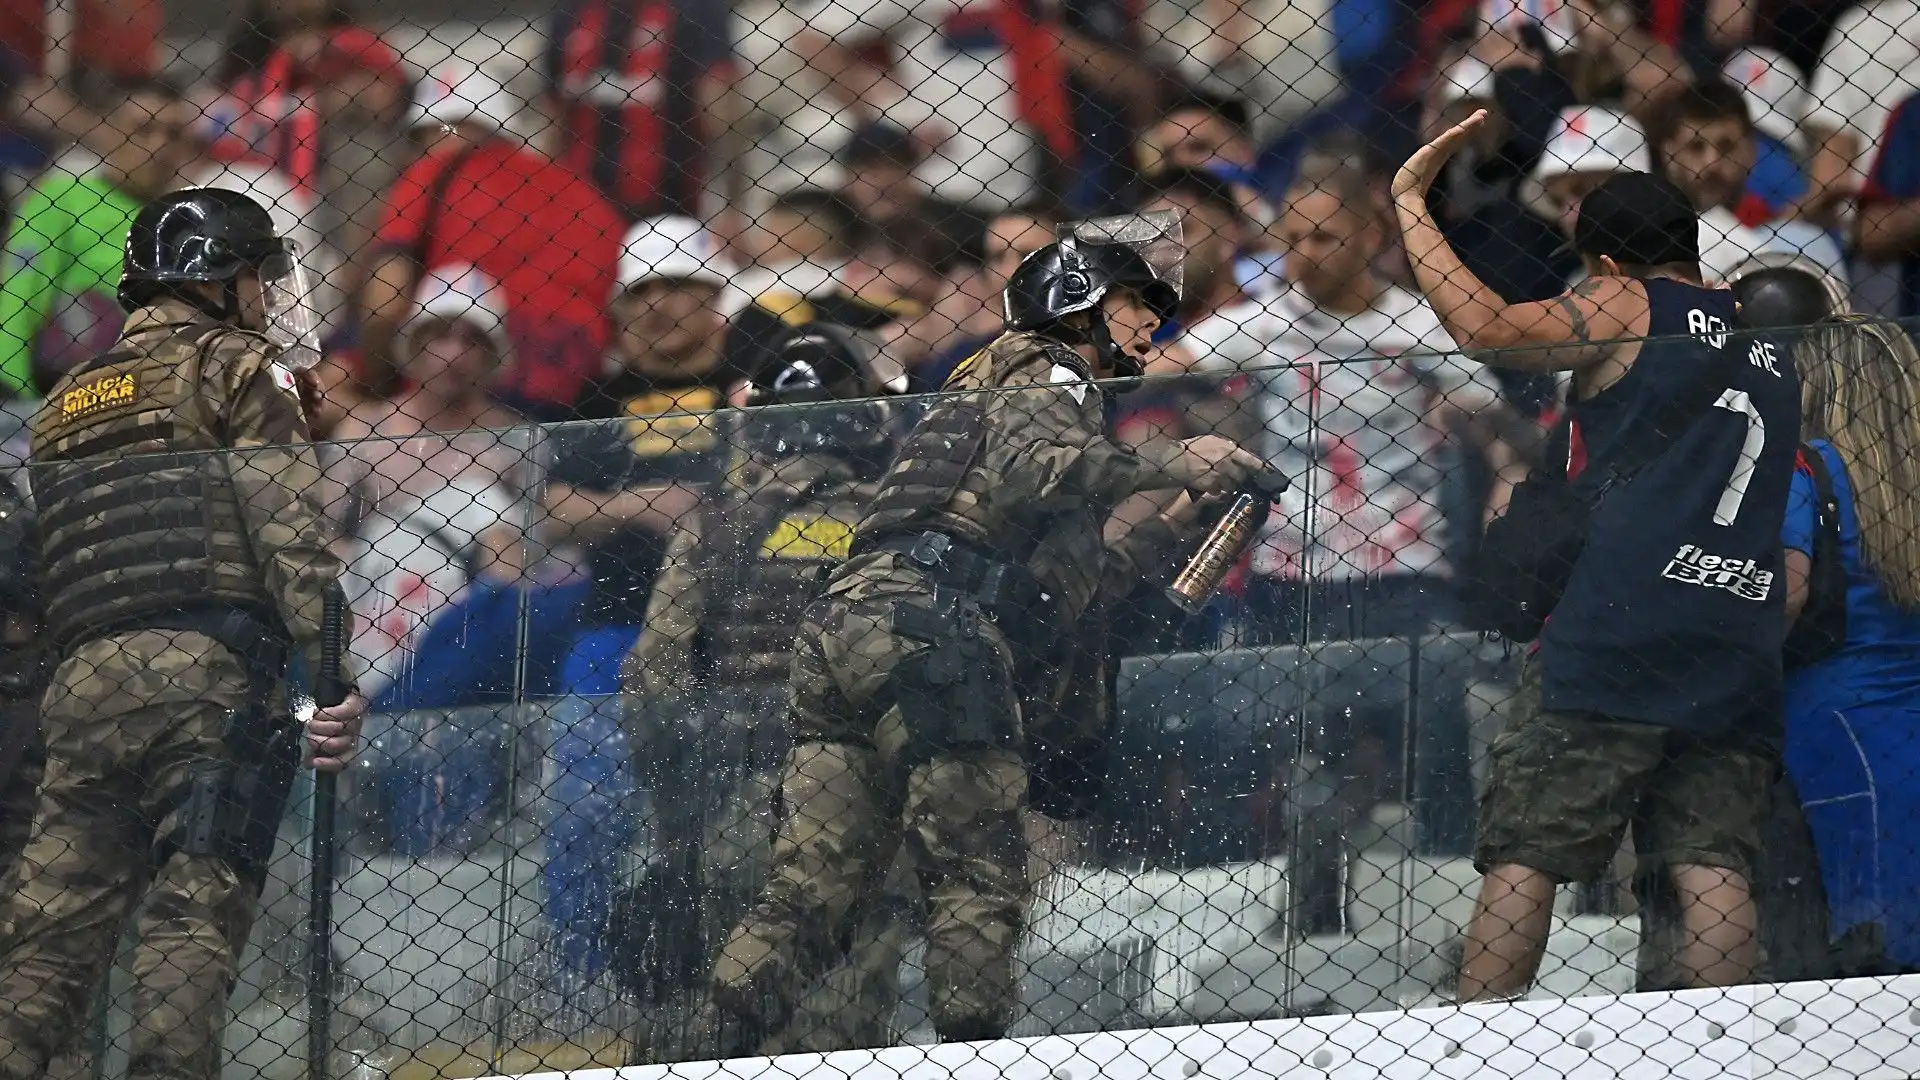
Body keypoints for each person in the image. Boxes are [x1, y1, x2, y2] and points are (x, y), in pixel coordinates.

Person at [696, 210, 1266, 1052]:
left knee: (810, 889)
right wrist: (1188, 459)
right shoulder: (1051, 366)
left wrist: (1177, 517)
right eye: (1137, 302)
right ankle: (977, 1054)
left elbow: (1078, 577)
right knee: (976, 871)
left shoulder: (978, 389)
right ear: (1080, 302)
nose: (1155, 323)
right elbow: (1048, 470)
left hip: (850, 625)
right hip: (933, 631)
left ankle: (712, 1048)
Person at [1394, 114, 1800, 1001]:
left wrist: (1410, 205)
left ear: (1607, 265)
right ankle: (1718, 1051)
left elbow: (1486, 328)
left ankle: (1477, 1044)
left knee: (1529, 847)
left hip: (1619, 623)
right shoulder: (1765, 337)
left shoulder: (1628, 302)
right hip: (1732, 624)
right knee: (1710, 859)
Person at [0, 188, 368, 1080]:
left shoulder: (64, 403)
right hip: (206, 673)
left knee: (48, 936)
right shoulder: (239, 367)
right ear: (222, 280)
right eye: (256, 276)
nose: (263, 295)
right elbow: (289, 534)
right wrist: (332, 676)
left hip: (80, 689)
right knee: (194, 905)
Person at [611, 323, 918, 1058]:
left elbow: (652, 675)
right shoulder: (898, 517)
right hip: (862, 803)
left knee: (712, 1017)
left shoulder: (715, 524)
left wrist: (679, 814)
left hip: (730, 802)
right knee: (840, 1018)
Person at [1777, 315, 1920, 976]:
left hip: (1834, 715)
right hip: (1905, 708)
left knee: (1859, 917)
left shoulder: (1807, 469)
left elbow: (1786, 594)